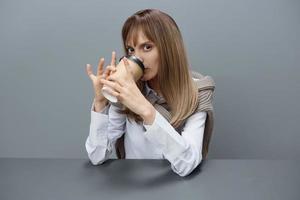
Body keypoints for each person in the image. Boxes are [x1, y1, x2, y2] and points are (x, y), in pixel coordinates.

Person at [85, 9, 215, 177]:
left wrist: (147, 111)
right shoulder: (126, 90)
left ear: (169, 49)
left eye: (147, 47)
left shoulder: (197, 92)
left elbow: (187, 164)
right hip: (133, 185)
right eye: (131, 50)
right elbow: (97, 155)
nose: (137, 58)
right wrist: (101, 103)